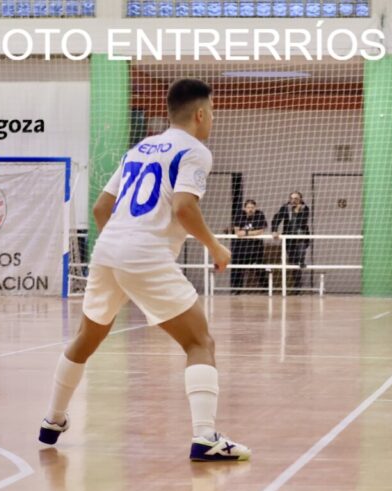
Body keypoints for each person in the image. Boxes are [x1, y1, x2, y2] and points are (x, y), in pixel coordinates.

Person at [38, 78, 250, 461]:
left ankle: (52, 420)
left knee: (87, 338)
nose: (212, 119)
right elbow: (184, 207)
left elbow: (102, 208)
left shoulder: (139, 149)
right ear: (201, 113)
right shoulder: (196, 151)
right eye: (213, 112)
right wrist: (215, 245)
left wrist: (122, 245)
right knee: (199, 342)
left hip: (107, 249)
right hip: (145, 253)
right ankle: (206, 437)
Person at [271, 191, 311, 290]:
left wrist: (297, 212)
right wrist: (274, 231)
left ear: (300, 199)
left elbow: (302, 222)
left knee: (300, 257)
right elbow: (276, 219)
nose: (294, 200)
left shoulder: (305, 208)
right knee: (293, 262)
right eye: (292, 198)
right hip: (289, 239)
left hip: (301, 238)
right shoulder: (285, 207)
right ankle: (297, 286)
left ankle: (301, 263)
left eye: (296, 198)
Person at [231, 199, 268, 293]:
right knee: (238, 268)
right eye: (248, 207)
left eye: (252, 207)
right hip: (241, 248)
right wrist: (252, 233)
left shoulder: (259, 214)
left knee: (260, 268)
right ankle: (236, 290)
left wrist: (246, 232)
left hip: (256, 247)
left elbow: (261, 231)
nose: (250, 209)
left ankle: (266, 289)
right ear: (245, 208)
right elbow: (237, 232)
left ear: (255, 208)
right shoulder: (239, 215)